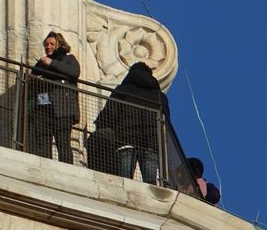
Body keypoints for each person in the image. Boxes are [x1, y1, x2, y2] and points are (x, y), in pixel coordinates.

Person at [87, 61, 168, 182]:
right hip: (151, 142)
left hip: (126, 138)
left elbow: (110, 112)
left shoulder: (123, 89)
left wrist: (101, 125)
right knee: (150, 182)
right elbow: (165, 120)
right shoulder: (159, 95)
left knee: (125, 180)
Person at [26, 31, 80, 163]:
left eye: (51, 44)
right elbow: (32, 83)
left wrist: (51, 63)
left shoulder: (68, 58)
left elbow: (74, 73)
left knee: (63, 144)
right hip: (42, 109)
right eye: (46, 44)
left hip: (63, 110)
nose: (48, 46)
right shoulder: (40, 64)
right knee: (43, 145)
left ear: (59, 44)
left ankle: (67, 173)